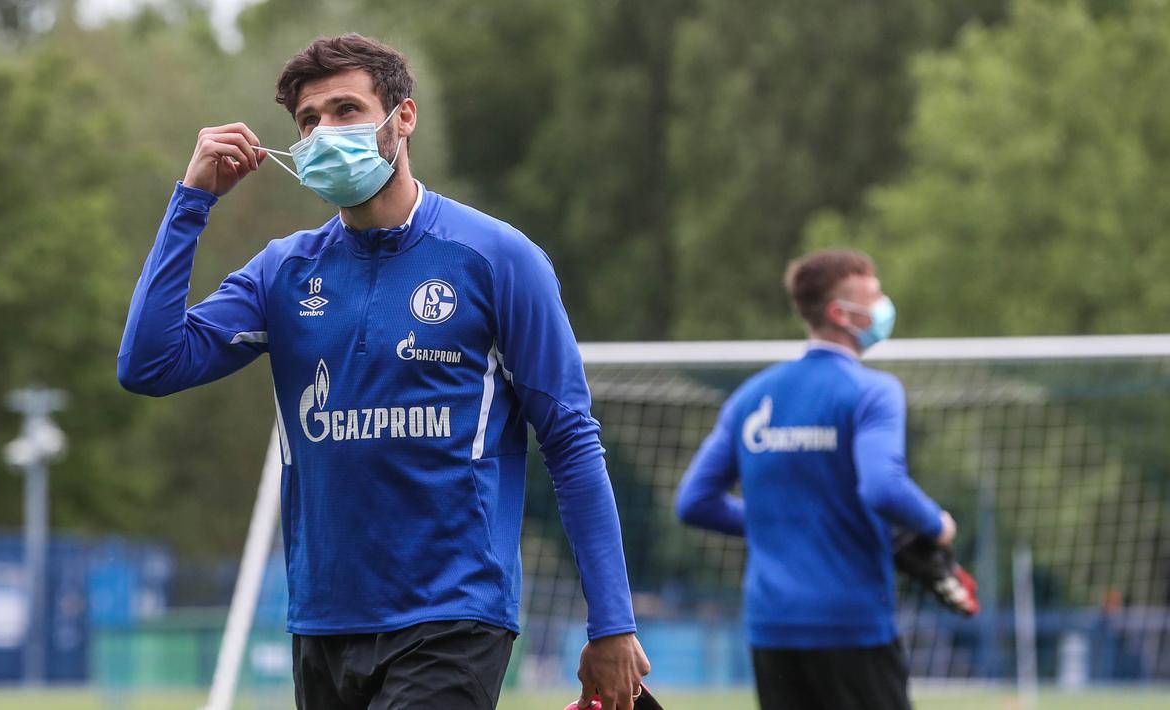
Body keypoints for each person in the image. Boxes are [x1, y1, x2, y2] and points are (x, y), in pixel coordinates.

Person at [118, 33, 649, 710]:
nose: (324, 131)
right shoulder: (284, 271)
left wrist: (611, 623)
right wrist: (191, 202)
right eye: (309, 121)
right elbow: (148, 364)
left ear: (403, 117)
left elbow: (571, 443)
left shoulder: (496, 259)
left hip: (452, 616)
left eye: (346, 110)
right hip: (321, 622)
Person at [674, 249, 956, 710]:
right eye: (875, 295)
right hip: (853, 624)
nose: (885, 303)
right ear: (840, 313)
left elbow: (694, 501)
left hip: (773, 626)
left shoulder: (753, 396)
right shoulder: (872, 391)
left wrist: (781, 522)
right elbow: (883, 486)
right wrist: (938, 524)